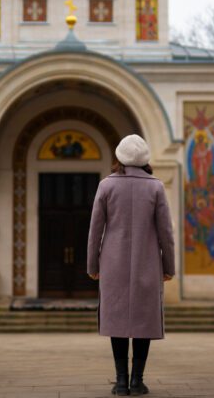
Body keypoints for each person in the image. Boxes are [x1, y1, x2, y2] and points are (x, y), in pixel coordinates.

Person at [87, 134, 176, 396]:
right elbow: (165, 234)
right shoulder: (156, 187)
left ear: (119, 157)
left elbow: (95, 231)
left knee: (117, 322)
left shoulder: (106, 186)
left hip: (112, 265)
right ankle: (137, 381)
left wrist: (93, 265)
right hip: (147, 265)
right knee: (143, 321)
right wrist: (168, 267)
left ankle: (120, 382)